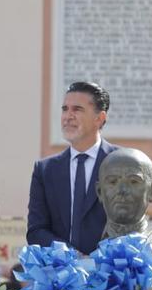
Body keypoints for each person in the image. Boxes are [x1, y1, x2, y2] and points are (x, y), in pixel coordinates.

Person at [26, 81, 120, 255]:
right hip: (61, 275)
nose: (68, 116)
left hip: (109, 274)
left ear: (99, 118)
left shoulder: (121, 163)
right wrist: (74, 258)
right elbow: (36, 231)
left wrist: (97, 263)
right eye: (64, 109)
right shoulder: (45, 170)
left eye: (77, 109)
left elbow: (128, 227)